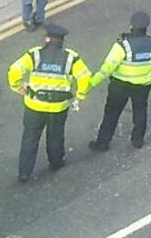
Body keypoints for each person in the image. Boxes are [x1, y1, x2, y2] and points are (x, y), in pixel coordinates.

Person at [7, 23, 92, 182]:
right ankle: (56, 162)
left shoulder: (35, 54)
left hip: (34, 105)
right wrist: (80, 95)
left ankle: (24, 172)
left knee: (30, 138)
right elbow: (85, 76)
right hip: (58, 108)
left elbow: (15, 70)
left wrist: (17, 86)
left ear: (47, 39)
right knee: (55, 136)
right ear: (62, 41)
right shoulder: (71, 58)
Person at [89, 11, 151, 151]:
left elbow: (107, 67)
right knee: (140, 110)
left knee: (112, 113)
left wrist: (91, 83)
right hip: (143, 84)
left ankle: (102, 143)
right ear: (146, 27)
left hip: (120, 85)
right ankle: (138, 140)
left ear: (131, 25)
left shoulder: (122, 46)